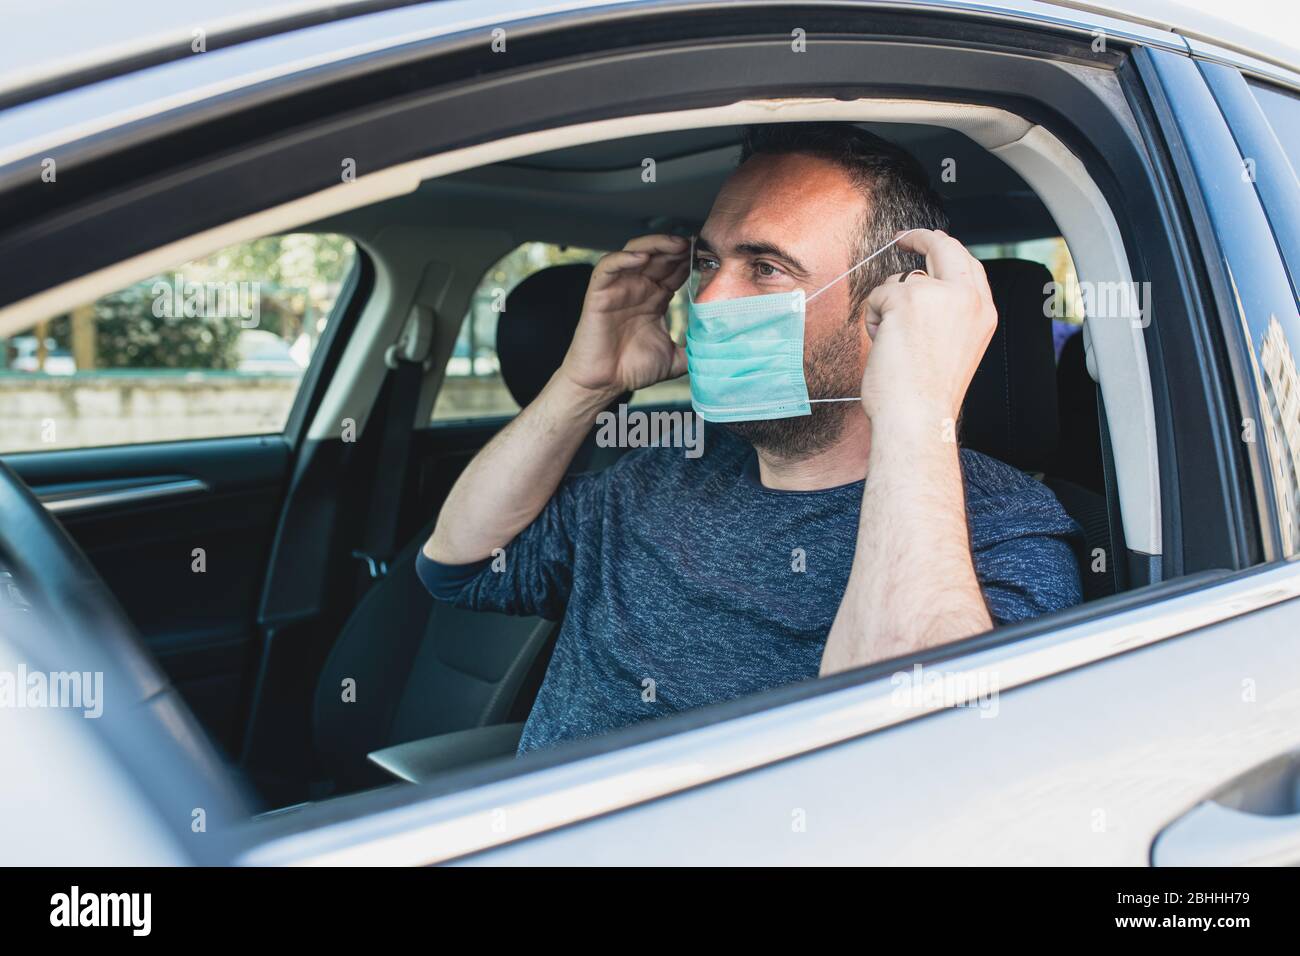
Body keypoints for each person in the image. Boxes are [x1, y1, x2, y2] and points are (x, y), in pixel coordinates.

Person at [417, 123, 1082, 754]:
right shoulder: (662, 472)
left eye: (765, 267)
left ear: (890, 306)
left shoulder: (1000, 528)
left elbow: (913, 754)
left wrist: (916, 410)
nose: (707, 301)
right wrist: (584, 384)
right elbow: (460, 566)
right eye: (708, 262)